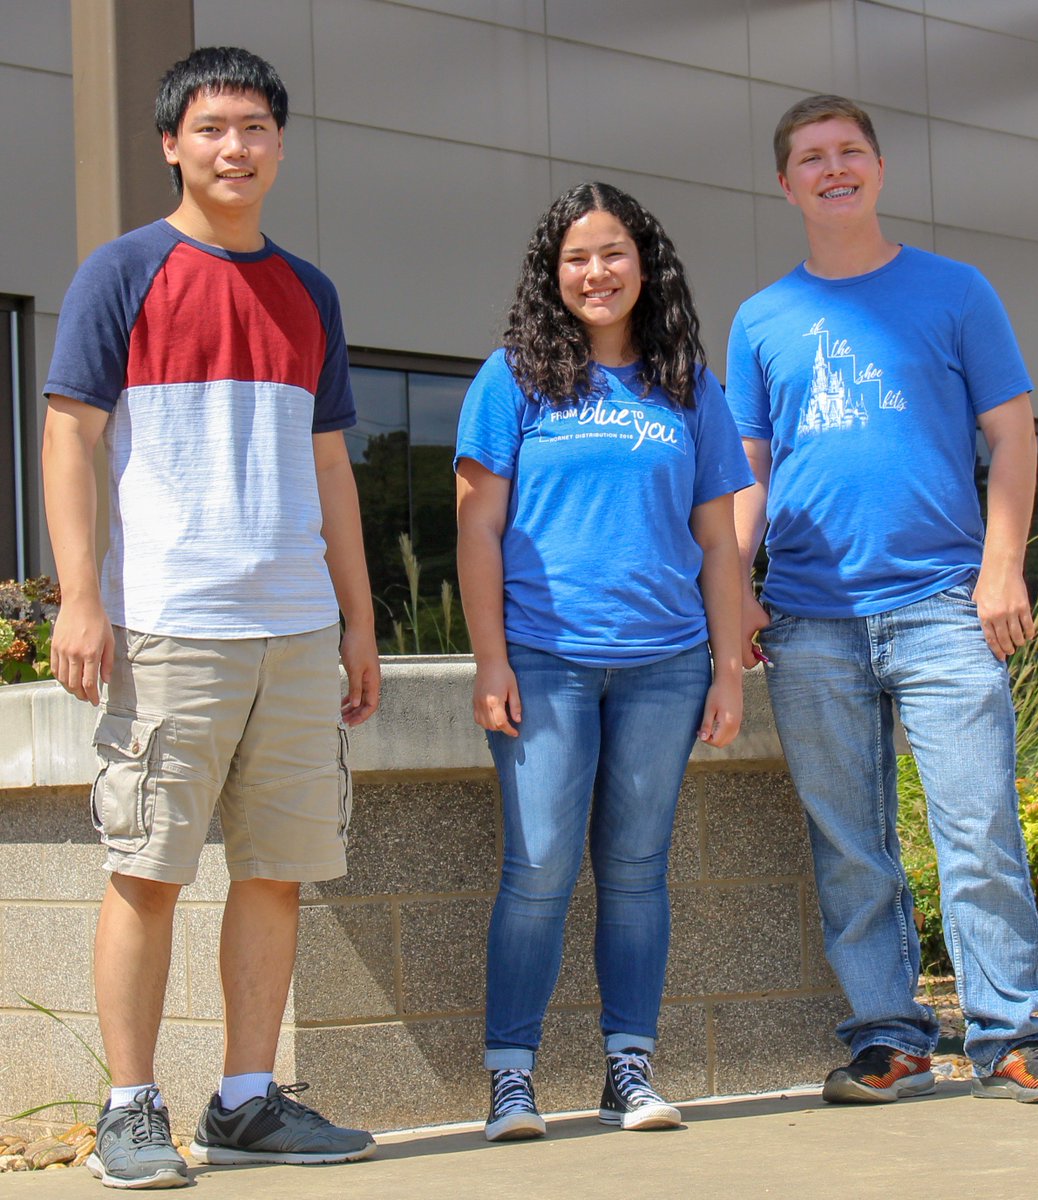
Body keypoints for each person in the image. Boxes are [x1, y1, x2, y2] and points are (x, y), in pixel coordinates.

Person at [41, 47, 381, 1189]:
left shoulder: (312, 291)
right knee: (146, 867)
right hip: (169, 622)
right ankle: (130, 1107)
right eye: (212, 128)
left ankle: (246, 1102)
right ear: (171, 144)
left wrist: (358, 621)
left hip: (294, 627)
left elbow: (333, 467)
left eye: (255, 129)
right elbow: (70, 437)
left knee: (276, 871)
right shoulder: (122, 271)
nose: (234, 148)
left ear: (279, 145)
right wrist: (80, 595)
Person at [727, 94, 1038, 1105]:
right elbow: (748, 470)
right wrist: (739, 590)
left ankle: (1016, 1037)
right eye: (812, 157)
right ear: (786, 183)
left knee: (977, 827)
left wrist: (1002, 566)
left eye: (849, 151)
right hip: (808, 616)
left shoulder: (955, 291)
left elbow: (1014, 438)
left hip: (940, 601)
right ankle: (889, 1039)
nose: (832, 168)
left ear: (878, 169)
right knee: (851, 844)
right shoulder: (762, 319)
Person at [455, 181, 752, 1141]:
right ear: (552, 275)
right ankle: (512, 1079)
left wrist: (727, 667)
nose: (596, 271)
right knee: (537, 868)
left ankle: (628, 1068)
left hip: (666, 664)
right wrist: (489, 659)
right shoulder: (512, 379)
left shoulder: (686, 385)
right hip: (544, 661)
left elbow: (718, 542)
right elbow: (477, 530)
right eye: (576, 257)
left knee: (635, 871)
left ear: (644, 263)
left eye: (613, 252)